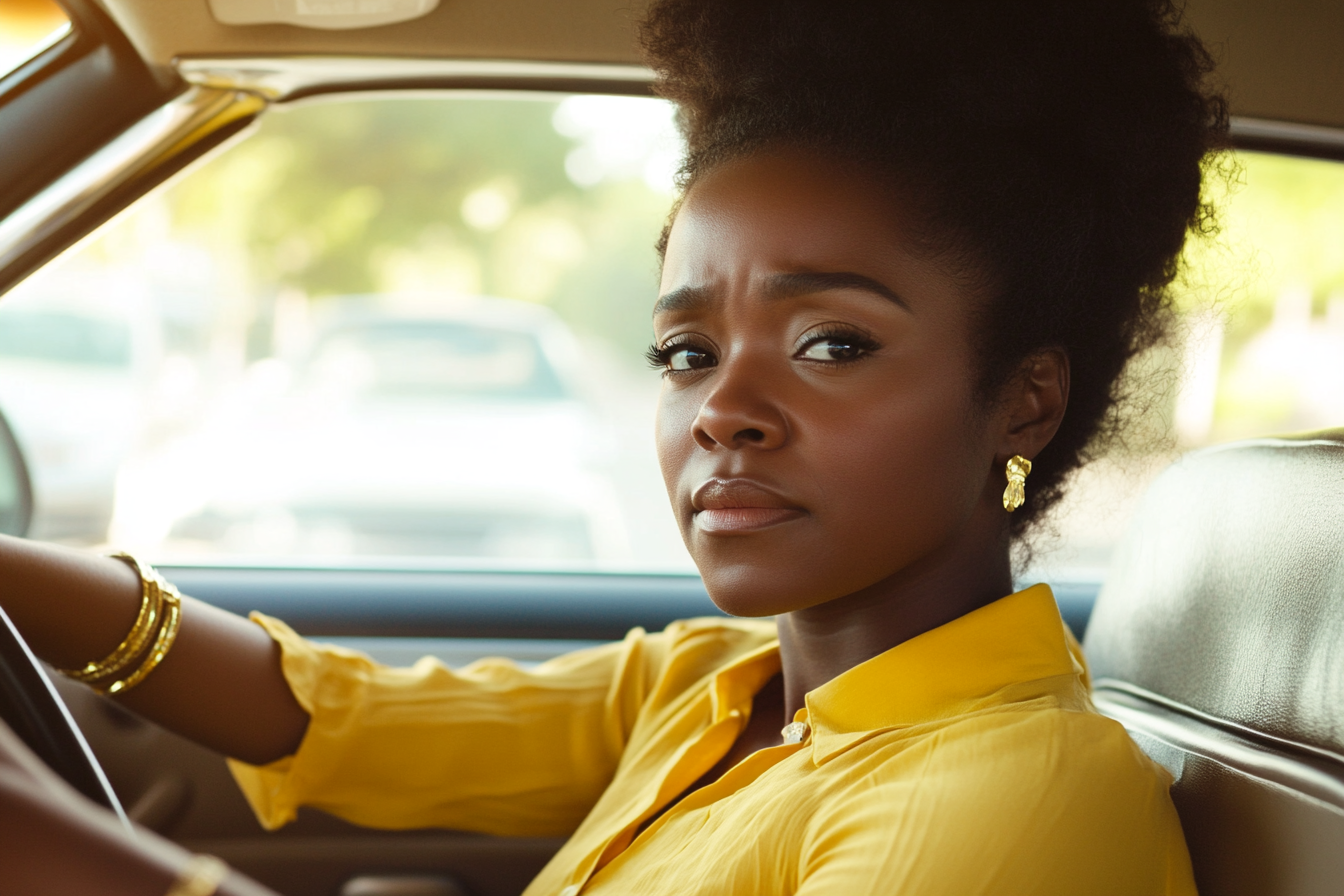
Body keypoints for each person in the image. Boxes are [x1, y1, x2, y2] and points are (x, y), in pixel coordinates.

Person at [0, 0, 1225, 892]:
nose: (722, 408)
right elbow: (337, 719)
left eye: (832, 343)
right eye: (687, 351)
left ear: (1024, 398)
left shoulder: (1019, 798)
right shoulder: (712, 688)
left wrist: (55, 851)